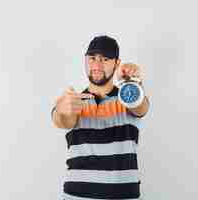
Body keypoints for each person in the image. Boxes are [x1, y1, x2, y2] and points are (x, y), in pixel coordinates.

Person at [51, 35, 150, 199]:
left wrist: (133, 82)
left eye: (104, 59)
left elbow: (140, 107)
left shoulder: (128, 97)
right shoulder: (73, 101)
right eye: (92, 58)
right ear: (85, 60)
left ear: (117, 63)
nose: (96, 65)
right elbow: (63, 120)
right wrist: (61, 110)